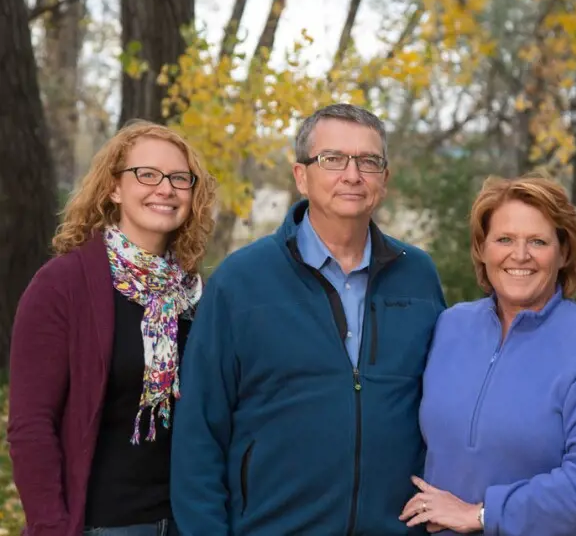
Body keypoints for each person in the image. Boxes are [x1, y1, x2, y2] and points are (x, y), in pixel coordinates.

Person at [170, 103, 447, 535]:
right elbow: (198, 434)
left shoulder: (418, 276)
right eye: (332, 159)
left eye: (368, 162)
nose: (352, 175)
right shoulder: (241, 281)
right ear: (302, 175)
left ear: (385, 179)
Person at [400, 175, 576, 536]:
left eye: (538, 241)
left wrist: (484, 514)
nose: (520, 255)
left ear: (563, 253)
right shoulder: (450, 327)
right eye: (504, 239)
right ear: (482, 248)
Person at [8, 121, 216, 536]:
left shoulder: (195, 295)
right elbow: (31, 424)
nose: (165, 188)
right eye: (147, 175)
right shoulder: (62, 285)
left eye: (180, 178)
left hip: (188, 523)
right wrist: (50, 526)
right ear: (114, 188)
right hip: (102, 525)